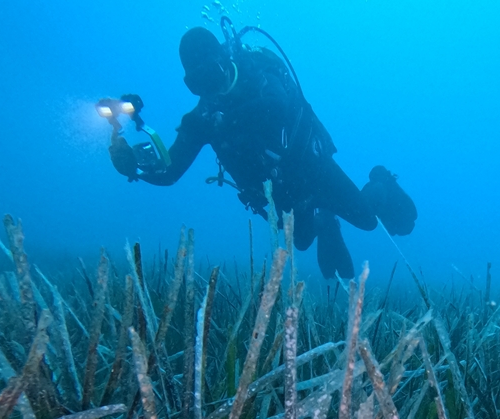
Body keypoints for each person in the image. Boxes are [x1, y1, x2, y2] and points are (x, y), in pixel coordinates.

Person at [107, 25, 416, 279]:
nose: (208, 89)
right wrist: (134, 166)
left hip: (312, 166)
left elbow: (278, 106)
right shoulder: (201, 119)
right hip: (280, 192)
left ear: (223, 60)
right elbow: (171, 170)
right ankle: (326, 220)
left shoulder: (255, 70)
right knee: (304, 241)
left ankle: (381, 181)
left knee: (367, 220)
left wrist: (224, 120)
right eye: (196, 84)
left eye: (211, 76)